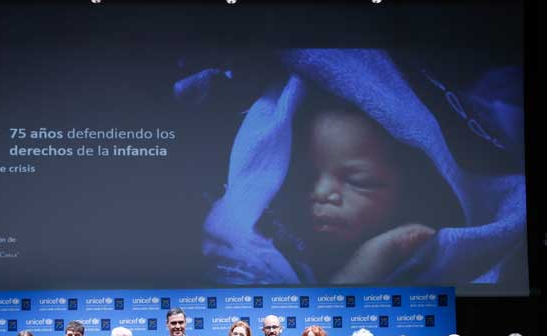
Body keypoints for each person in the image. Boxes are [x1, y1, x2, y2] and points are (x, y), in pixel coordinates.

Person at [199, 50, 525, 290]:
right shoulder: (279, 237)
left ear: (409, 191)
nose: (321, 193)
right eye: (305, 177)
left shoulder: (418, 242)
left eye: (359, 181)